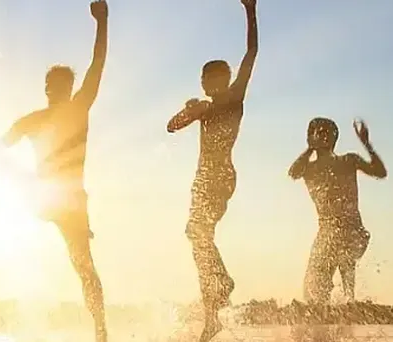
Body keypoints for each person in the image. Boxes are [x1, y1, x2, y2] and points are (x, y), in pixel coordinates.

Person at [0, 1, 110, 340]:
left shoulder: (75, 107)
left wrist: (102, 23)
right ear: (48, 89)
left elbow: (98, 64)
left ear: (64, 89)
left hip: (64, 200)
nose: (56, 92)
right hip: (47, 195)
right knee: (84, 268)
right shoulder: (39, 118)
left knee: (84, 268)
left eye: (61, 86)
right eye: (53, 87)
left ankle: (101, 331)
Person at [165, 0, 258, 340]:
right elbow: (170, 127)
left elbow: (251, 53)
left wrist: (250, 11)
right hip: (202, 180)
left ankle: (222, 284)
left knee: (199, 237)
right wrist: (186, 112)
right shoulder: (203, 107)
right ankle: (212, 317)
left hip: (220, 177)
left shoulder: (234, 98)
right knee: (198, 239)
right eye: (208, 79)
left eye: (219, 78)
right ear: (203, 83)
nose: (213, 83)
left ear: (228, 79)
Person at [288, 117, 386, 305]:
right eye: (317, 134)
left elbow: (380, 172)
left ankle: (349, 301)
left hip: (353, 231)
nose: (322, 138)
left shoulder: (348, 161)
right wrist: (309, 148)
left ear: (334, 139)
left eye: (326, 134)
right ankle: (334, 312)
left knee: (343, 257)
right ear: (310, 137)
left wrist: (367, 144)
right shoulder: (309, 169)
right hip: (327, 233)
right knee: (313, 289)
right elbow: (293, 173)